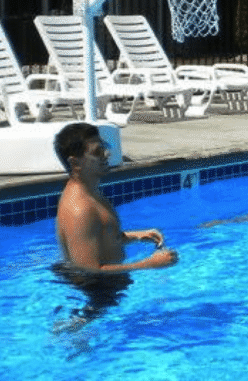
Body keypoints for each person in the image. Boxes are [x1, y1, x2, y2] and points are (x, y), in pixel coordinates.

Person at [52, 123, 178, 326]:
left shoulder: (91, 192)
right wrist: (149, 264)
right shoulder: (80, 209)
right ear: (76, 163)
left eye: (104, 147)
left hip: (100, 286)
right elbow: (90, 269)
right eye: (97, 152)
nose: (107, 155)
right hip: (91, 294)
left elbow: (99, 236)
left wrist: (135, 236)